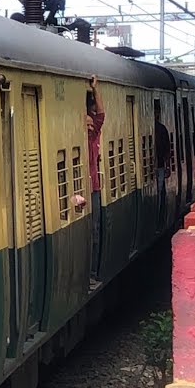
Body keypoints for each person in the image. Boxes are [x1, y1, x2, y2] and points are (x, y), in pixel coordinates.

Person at [86, 75, 105, 287]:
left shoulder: (93, 137)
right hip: (81, 192)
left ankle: (92, 272)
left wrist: (95, 90)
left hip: (94, 188)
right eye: (87, 124)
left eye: (92, 125)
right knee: (89, 231)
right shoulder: (80, 140)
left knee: (95, 231)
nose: (91, 127)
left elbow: (101, 115)